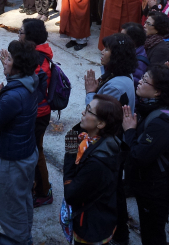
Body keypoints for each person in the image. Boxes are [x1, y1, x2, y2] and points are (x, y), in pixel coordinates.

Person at [0, 40, 39, 245]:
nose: (4, 61)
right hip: (27, 152)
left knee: (9, 208)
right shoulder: (31, 80)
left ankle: (21, 240)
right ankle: (26, 236)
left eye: (8, 59)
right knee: (23, 199)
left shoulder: (12, 96)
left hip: (13, 160)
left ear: (18, 66)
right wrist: (9, 72)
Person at [122, 66, 169, 244]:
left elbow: (139, 156)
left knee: (152, 233)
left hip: (154, 188)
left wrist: (130, 131)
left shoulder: (162, 123)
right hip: (146, 182)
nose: (139, 81)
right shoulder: (150, 108)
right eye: (142, 77)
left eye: (145, 80)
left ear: (157, 92)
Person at [63, 95, 123, 244]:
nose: (83, 113)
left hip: (90, 226)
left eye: (89, 110)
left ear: (101, 123)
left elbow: (71, 194)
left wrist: (70, 154)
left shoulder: (97, 162)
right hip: (103, 215)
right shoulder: (104, 140)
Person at [19, 19, 54, 207]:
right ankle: (38, 184)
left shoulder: (36, 59)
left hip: (37, 113)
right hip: (38, 110)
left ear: (30, 37)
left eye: (21, 32)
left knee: (36, 152)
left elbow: (27, 86)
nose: (19, 34)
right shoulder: (38, 53)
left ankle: (43, 191)